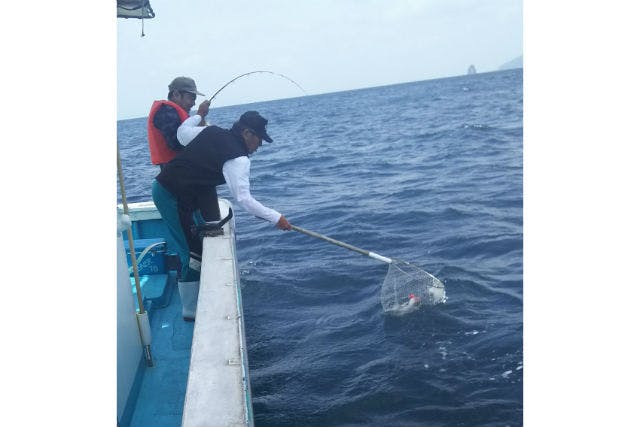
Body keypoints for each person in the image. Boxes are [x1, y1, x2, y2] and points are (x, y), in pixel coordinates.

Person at [152, 110, 292, 320]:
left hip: (174, 190)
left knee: (198, 242)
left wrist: (198, 115)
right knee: (191, 256)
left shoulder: (211, 131)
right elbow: (244, 200)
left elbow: (182, 133)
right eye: (259, 139)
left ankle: (199, 293)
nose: (259, 145)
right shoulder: (238, 158)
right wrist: (276, 218)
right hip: (170, 195)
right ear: (246, 133)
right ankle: (191, 311)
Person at [147, 76, 211, 169]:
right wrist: (200, 115)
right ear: (176, 94)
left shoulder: (174, 112)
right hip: (174, 171)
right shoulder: (165, 111)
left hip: (182, 168)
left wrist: (201, 118)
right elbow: (177, 143)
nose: (193, 103)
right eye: (191, 98)